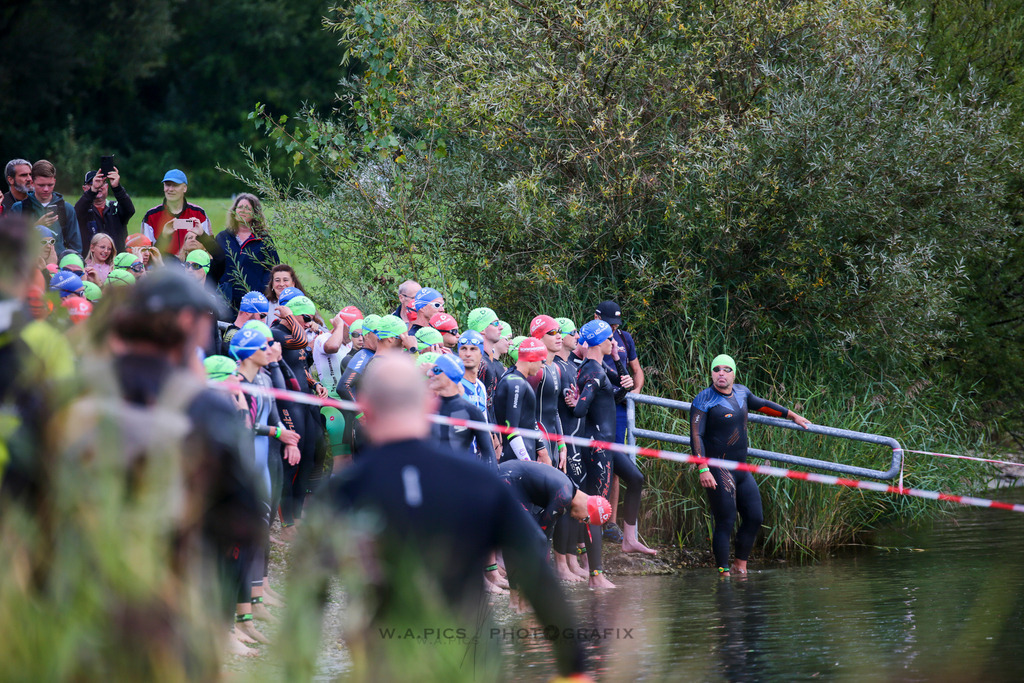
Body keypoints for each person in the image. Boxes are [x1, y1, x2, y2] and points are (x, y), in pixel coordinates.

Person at [280, 353, 588, 681]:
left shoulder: (344, 490)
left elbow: (306, 596)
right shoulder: (479, 481)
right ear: (427, 407)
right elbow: (538, 569)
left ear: (366, 410)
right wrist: (574, 670)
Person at [690, 354, 811, 575]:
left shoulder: (742, 392)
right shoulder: (704, 399)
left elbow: (763, 405)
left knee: (755, 517)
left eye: (727, 369)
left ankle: (740, 566)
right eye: (717, 369)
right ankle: (723, 573)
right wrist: (703, 468)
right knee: (725, 521)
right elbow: (696, 435)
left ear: (734, 374)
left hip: (742, 469)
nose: (721, 373)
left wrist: (792, 415)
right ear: (711, 373)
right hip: (717, 468)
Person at [594, 299, 644, 543]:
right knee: (599, 459)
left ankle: (611, 522)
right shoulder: (591, 337)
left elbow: (637, 370)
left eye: (616, 324)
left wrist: (634, 393)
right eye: (608, 323)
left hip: (621, 407)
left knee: (616, 461)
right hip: (600, 405)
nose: (613, 328)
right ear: (596, 317)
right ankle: (594, 517)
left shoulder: (624, 337)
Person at [425, 353, 497, 470]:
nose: (430, 373)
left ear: (450, 375)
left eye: (436, 370)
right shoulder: (425, 409)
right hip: (431, 480)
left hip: (462, 479)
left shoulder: (471, 412)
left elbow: (488, 454)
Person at [212, 193, 279, 310]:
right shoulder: (223, 237)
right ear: (234, 211)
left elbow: (272, 269)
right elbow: (214, 266)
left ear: (255, 214)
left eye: (248, 208)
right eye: (240, 207)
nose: (243, 210)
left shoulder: (264, 240)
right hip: (224, 301)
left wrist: (262, 292)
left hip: (253, 302)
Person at [494, 337, 551, 465]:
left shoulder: (516, 378)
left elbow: (530, 420)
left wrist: (542, 451)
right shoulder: (516, 383)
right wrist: (526, 462)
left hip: (522, 455)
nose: (543, 365)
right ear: (531, 358)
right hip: (517, 458)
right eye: (542, 360)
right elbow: (511, 429)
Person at [11, 160, 82, 255]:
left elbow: (76, 248)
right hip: (28, 266)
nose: (46, 189)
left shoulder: (66, 208)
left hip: (58, 265)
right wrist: (36, 227)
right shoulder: (19, 208)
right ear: (32, 183)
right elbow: (11, 245)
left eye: (50, 185)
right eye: (41, 185)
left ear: (55, 181)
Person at [141, 169, 210, 255]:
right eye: (167, 185)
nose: (170, 189)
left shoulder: (198, 213)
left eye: (175, 185)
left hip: (192, 266)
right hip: (163, 267)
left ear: (184, 188)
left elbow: (208, 248)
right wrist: (164, 236)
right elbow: (146, 252)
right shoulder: (151, 216)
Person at [74, 167, 135, 252]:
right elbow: (75, 213)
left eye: (102, 183)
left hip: (117, 260)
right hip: (90, 262)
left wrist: (117, 187)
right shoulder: (83, 208)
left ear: (106, 186)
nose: (98, 186)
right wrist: (92, 191)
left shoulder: (115, 207)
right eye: (92, 183)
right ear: (84, 188)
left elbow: (130, 210)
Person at [311, 305, 361, 391]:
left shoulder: (351, 344)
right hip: (331, 400)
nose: (354, 333)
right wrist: (339, 326)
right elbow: (333, 347)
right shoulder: (323, 338)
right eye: (351, 329)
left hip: (348, 397)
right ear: (341, 325)